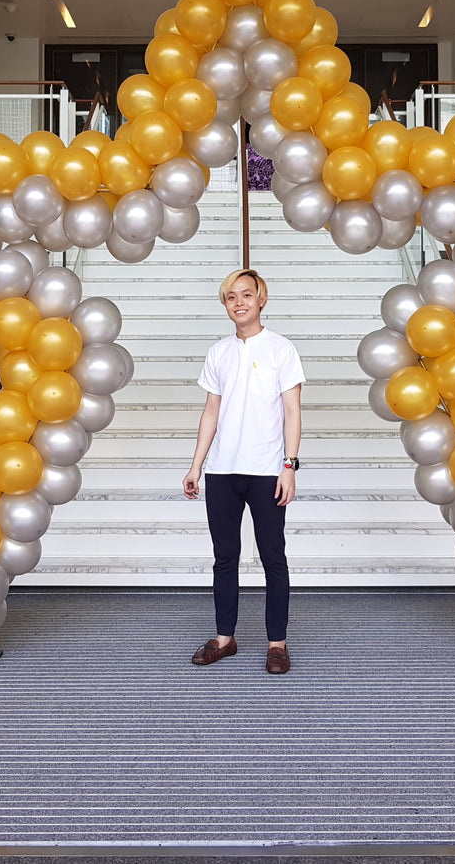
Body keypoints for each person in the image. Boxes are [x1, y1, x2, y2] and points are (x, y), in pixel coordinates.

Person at [182, 268, 304, 674]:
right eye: (231, 297)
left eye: (246, 295)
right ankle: (224, 638)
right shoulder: (218, 352)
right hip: (222, 471)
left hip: (267, 469)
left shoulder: (282, 349)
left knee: (273, 557)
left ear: (261, 299)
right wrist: (196, 465)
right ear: (225, 304)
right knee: (224, 557)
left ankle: (277, 644)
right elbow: (211, 411)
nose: (239, 302)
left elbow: (292, 411)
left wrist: (289, 466)